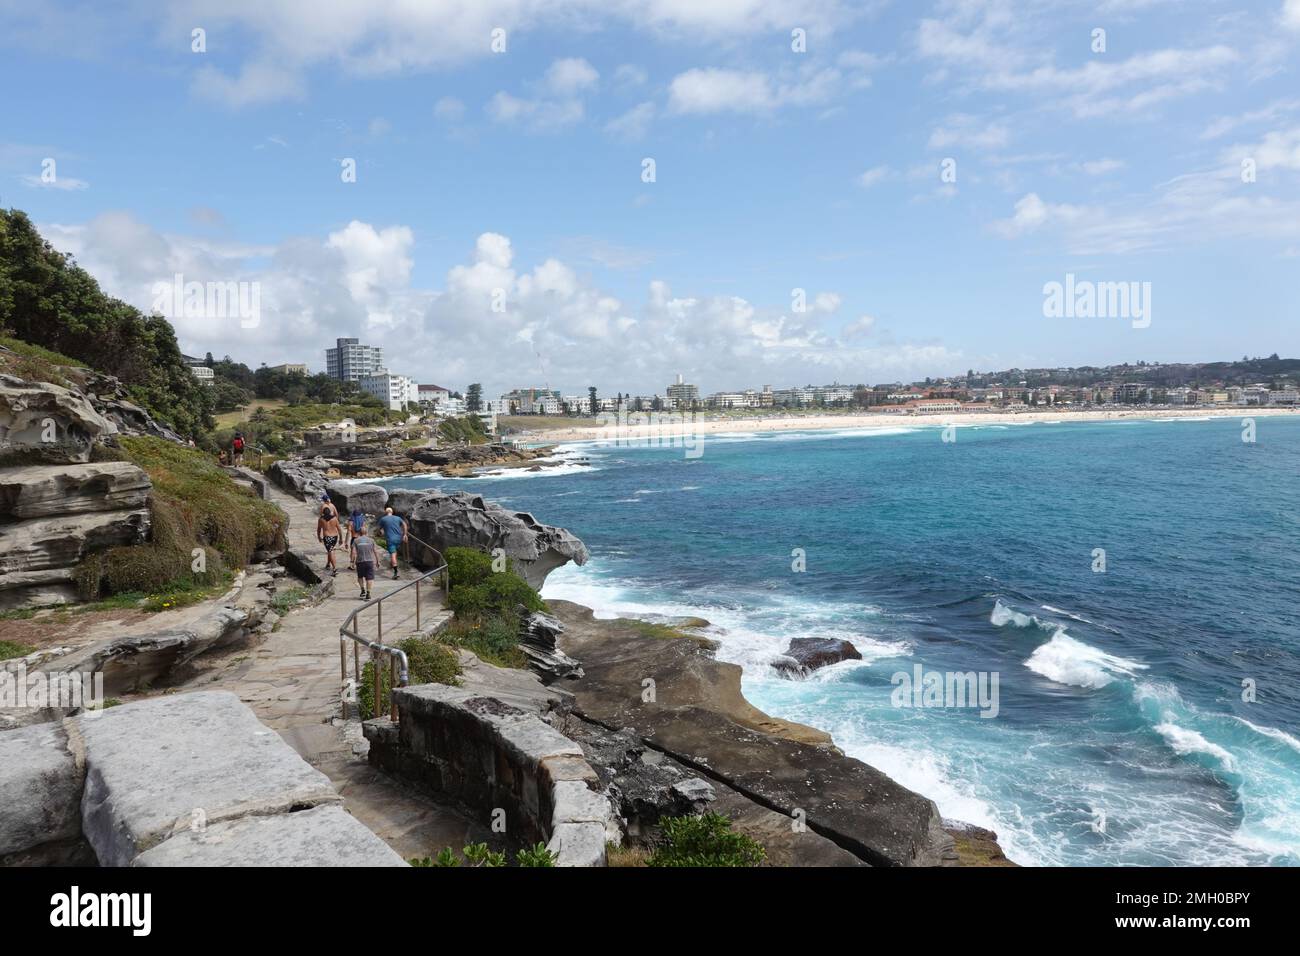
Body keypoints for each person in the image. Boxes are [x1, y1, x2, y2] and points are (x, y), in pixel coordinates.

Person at [376, 507, 407, 580]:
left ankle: (396, 572)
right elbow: (404, 524)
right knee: (395, 552)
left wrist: (379, 533)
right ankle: (392, 564)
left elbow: (379, 529)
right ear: (392, 512)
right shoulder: (397, 518)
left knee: (393, 554)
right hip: (399, 538)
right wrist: (405, 534)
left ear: (385, 512)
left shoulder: (383, 519)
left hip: (390, 539)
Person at [351, 530, 377, 600]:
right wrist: (377, 561)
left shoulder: (356, 540)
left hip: (360, 561)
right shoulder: (371, 540)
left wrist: (352, 562)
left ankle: (362, 590)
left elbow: (353, 552)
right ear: (366, 532)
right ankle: (368, 593)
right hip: (369, 561)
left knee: (360, 577)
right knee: (369, 578)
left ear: (359, 533)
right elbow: (375, 551)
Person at [316, 505, 341, 577]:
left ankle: (335, 568)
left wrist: (319, 537)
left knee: (331, 551)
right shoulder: (334, 519)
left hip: (327, 537)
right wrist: (341, 538)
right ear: (330, 513)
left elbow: (319, 529)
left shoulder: (321, 519)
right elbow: (339, 529)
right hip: (335, 537)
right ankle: (328, 564)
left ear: (323, 513)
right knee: (330, 550)